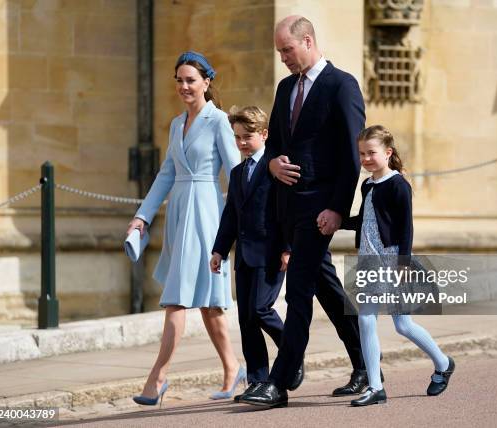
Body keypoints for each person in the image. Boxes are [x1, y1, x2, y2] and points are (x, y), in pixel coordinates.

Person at [241, 16, 368, 408]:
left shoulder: (341, 86)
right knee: (326, 286)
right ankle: (366, 364)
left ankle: (280, 382)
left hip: (320, 212)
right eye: (280, 52)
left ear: (307, 41)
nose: (283, 59)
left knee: (298, 292)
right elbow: (275, 145)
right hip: (288, 211)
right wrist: (273, 165)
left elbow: (351, 156)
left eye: (287, 50)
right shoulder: (284, 88)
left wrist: (337, 209)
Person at [127, 51, 245, 406]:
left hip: (207, 213)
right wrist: (142, 216)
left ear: (207, 82)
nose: (183, 86)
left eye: (190, 80)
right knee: (209, 305)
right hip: (180, 213)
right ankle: (232, 367)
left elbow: (237, 173)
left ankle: (157, 377)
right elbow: (166, 174)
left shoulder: (219, 121)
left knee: (177, 299)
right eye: (179, 80)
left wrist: (243, 223)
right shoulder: (176, 124)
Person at [343, 125, 455, 406]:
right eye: (362, 154)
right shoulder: (367, 184)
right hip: (369, 260)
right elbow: (366, 220)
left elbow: (406, 227)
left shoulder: (398, 185)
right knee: (367, 319)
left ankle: (443, 363)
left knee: (402, 325)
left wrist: (403, 262)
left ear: (388, 152)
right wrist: (336, 221)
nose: (366, 159)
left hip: (392, 260)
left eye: (372, 153)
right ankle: (376, 387)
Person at [210, 106, 290, 401]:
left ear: (264, 134)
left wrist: (288, 247)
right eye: (237, 138)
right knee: (246, 318)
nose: (242, 143)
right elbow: (231, 215)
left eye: (248, 136)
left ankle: (292, 352)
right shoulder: (237, 171)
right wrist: (219, 249)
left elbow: (286, 211)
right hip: (244, 256)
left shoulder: (275, 165)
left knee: (260, 309)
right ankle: (258, 380)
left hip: (271, 253)